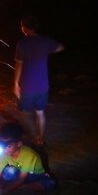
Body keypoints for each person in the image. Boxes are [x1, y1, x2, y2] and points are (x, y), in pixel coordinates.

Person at [13, 14, 65, 146]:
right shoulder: (45, 41)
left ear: (25, 28)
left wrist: (15, 83)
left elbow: (18, 64)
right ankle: (40, 138)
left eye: (22, 26)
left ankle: (33, 137)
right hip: (43, 84)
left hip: (27, 85)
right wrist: (46, 51)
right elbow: (61, 47)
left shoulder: (23, 43)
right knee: (40, 113)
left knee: (24, 113)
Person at [0, 122, 56, 195]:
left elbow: (21, 178)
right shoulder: (4, 153)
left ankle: (22, 186)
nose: (4, 149)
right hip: (20, 172)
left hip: (35, 175)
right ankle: (16, 186)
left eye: (8, 146)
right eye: (2, 145)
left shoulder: (29, 155)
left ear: (19, 144)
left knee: (50, 183)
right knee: (8, 171)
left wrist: (3, 191)